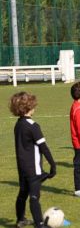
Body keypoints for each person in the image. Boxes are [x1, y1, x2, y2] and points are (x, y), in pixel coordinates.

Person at [9, 92, 56, 228]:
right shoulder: (33, 126)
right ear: (30, 106)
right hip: (33, 168)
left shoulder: (18, 124)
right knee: (34, 196)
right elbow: (44, 148)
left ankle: (20, 220)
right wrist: (53, 165)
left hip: (22, 167)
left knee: (23, 193)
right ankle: (39, 224)